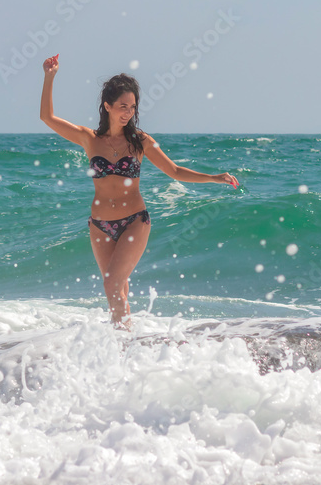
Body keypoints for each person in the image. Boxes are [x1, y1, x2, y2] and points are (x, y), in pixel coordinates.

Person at [39, 54, 238, 329]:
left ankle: (121, 339)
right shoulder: (89, 139)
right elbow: (46, 117)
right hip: (99, 226)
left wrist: (214, 178)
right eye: (122, 106)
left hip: (134, 221)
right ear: (107, 106)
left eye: (132, 107)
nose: (128, 112)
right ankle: (126, 347)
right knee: (118, 292)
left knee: (111, 284)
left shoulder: (140, 142)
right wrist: (50, 76)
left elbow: (175, 171)